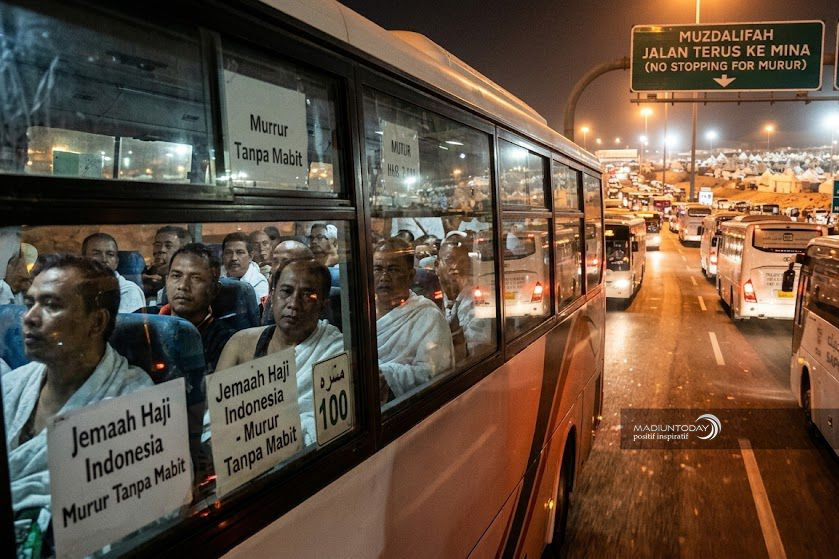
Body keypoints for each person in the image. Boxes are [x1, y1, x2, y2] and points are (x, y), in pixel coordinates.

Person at [3, 255, 152, 514]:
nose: (29, 318)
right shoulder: (12, 385)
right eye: (29, 303)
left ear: (96, 322)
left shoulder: (133, 401)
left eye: (51, 305)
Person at [217, 258, 343, 445]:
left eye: (307, 295)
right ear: (272, 296)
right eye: (286, 291)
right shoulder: (240, 344)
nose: (293, 303)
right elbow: (215, 418)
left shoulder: (335, 351)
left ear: (323, 305)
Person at [373, 238, 453, 402]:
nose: (384, 277)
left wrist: (386, 376)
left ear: (411, 276)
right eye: (378, 269)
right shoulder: (360, 314)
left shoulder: (428, 316)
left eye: (393, 270)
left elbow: (435, 373)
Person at [161, 244, 236, 373]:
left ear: (214, 289)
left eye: (196, 278)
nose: (183, 286)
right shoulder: (143, 322)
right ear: (166, 281)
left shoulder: (226, 342)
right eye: (176, 276)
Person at [435, 234, 492, 362]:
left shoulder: (477, 300)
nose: (456, 266)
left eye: (463, 262)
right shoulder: (430, 296)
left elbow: (478, 349)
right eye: (450, 260)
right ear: (437, 266)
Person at [81, 232, 145, 313]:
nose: (104, 259)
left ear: (116, 262)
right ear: (83, 259)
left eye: (110, 254)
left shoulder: (128, 291)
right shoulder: (74, 288)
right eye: (96, 254)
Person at [142, 226, 192, 301]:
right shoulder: (145, 277)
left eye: (168, 246)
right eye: (157, 245)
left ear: (182, 252)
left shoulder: (187, 285)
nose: (161, 250)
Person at [221, 232, 268, 305]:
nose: (234, 258)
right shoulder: (215, 279)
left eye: (240, 252)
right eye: (228, 253)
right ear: (222, 256)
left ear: (250, 256)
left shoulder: (259, 283)